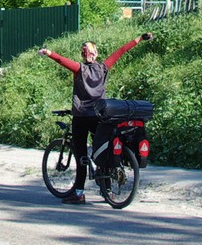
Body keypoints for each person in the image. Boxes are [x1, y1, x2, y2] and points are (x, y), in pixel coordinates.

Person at [38, 33, 152, 204]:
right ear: (96, 54)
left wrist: (48, 52)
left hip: (81, 117)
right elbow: (121, 51)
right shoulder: (104, 67)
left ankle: (79, 193)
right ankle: (107, 191)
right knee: (102, 150)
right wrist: (140, 38)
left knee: (81, 156)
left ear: (82, 55)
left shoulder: (79, 69)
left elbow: (61, 60)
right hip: (100, 117)